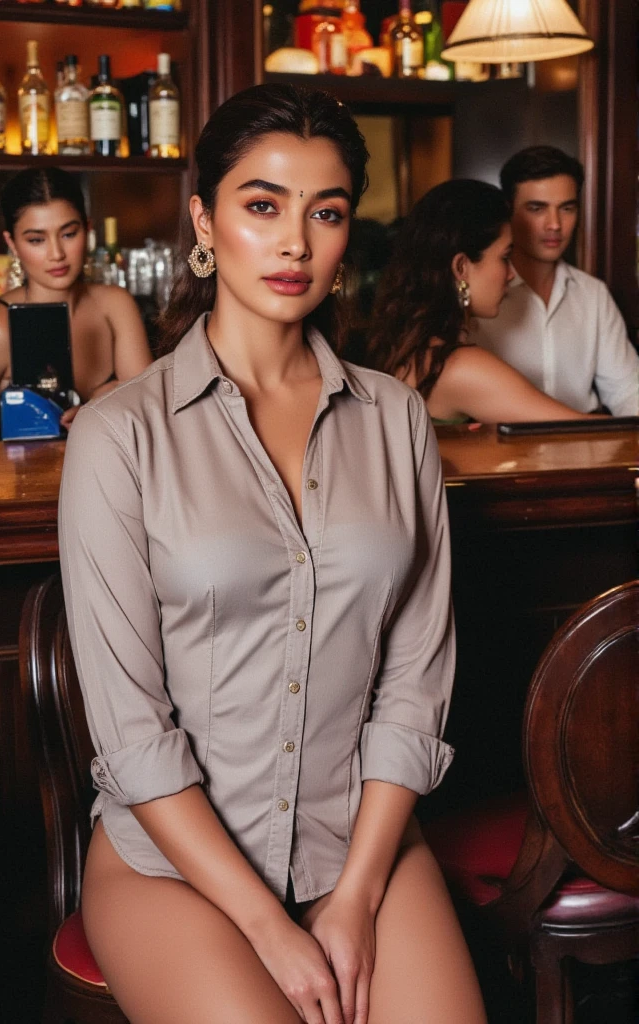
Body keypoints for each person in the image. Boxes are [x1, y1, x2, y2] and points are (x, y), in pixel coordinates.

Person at [58, 83, 487, 1024]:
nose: (294, 242)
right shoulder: (119, 435)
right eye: (263, 205)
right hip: (174, 864)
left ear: (346, 237)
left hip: (361, 840)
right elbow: (130, 731)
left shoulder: (398, 420)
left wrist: (361, 894)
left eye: (325, 212)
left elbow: (415, 679)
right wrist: (271, 928)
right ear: (206, 220)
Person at [0, 168, 152, 441]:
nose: (56, 254)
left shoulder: (115, 305)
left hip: (108, 479)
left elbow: (151, 413)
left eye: (68, 234)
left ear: (88, 228)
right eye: (36, 240)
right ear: (12, 243)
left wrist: (99, 409)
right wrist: (112, 399)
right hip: (18, 481)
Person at [368, 179, 597, 424]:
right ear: (462, 267)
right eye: (505, 257)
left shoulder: (412, 348)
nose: (511, 274)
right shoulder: (457, 367)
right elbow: (592, 433)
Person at [475, 145, 639, 415]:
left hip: (585, 449)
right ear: (510, 211)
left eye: (567, 208)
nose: (555, 224)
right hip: (499, 451)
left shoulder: (592, 294)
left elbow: (628, 391)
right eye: (537, 208)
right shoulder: (481, 298)